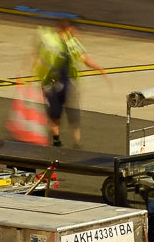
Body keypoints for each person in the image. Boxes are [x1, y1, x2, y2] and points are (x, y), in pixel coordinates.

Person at [27, 19, 103, 147]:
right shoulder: (50, 41)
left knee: (72, 113)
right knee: (55, 113)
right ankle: (57, 141)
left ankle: (76, 142)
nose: (77, 33)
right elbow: (38, 55)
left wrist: (99, 68)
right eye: (74, 29)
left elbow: (84, 58)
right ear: (68, 29)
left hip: (67, 82)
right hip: (50, 82)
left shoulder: (72, 43)